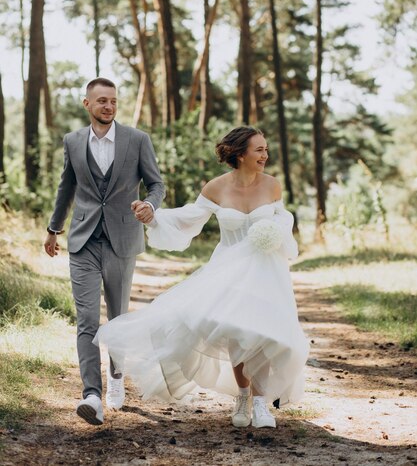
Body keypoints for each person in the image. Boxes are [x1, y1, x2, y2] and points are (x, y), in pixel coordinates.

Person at [95, 126, 309, 429]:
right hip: (229, 269)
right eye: (259, 150)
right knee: (237, 333)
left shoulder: (272, 186)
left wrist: (275, 233)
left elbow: (281, 220)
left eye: (265, 149)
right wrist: (153, 215)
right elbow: (188, 217)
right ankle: (242, 394)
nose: (265, 155)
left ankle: (261, 405)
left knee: (263, 334)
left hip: (266, 270)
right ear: (240, 154)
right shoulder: (216, 188)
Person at [44, 77, 165, 426]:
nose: (108, 106)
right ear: (87, 104)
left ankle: (115, 377)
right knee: (86, 320)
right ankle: (91, 395)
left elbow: (157, 183)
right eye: (101, 101)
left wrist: (150, 206)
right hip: (82, 241)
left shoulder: (137, 140)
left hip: (122, 239)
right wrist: (54, 229)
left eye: (113, 100)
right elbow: (66, 187)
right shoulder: (73, 141)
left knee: (118, 319)